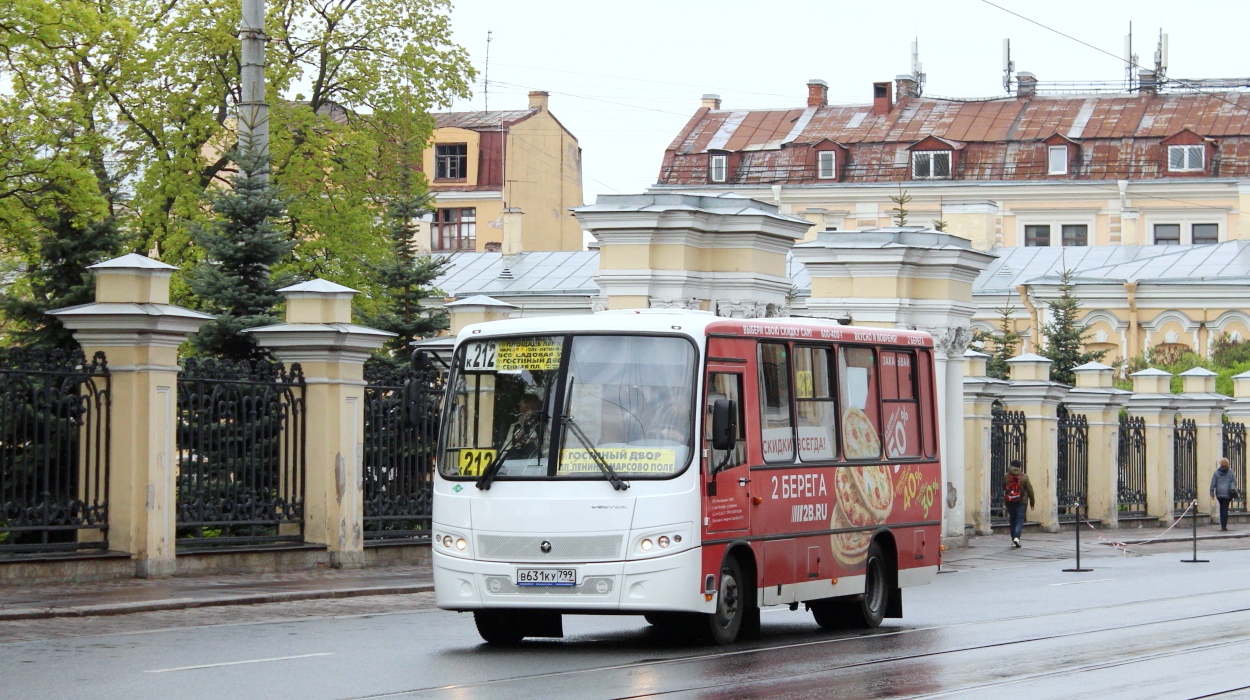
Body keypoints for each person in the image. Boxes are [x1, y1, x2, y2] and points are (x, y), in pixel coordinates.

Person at [1004, 460, 1035, 549]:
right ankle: (1017, 537)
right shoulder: (1024, 477)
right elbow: (1030, 490)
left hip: (1009, 501)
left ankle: (1013, 538)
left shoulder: (1006, 476)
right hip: (1022, 501)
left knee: (1012, 519)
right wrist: (1032, 501)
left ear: (1010, 466)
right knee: (1019, 519)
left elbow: (1004, 487)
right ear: (1019, 467)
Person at [1210, 457, 1240, 531]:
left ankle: (1222, 525)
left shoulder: (1216, 472)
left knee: (1221, 508)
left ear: (1220, 464)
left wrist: (1212, 494)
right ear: (1227, 464)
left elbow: (1213, 484)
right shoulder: (1231, 472)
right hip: (1228, 493)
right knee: (1225, 509)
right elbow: (1234, 481)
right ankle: (1224, 526)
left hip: (1219, 493)